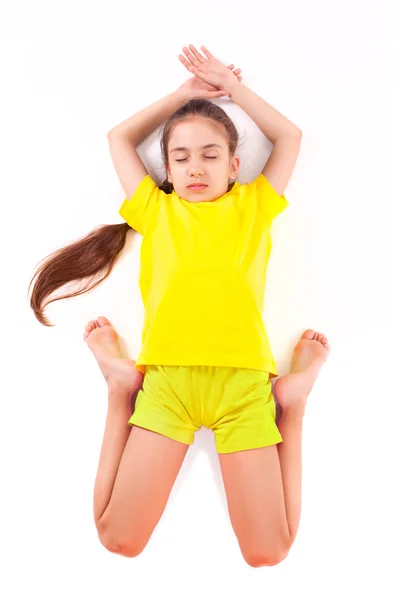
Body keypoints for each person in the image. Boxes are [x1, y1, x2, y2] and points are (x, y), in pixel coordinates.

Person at [28, 44, 330, 567]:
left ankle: (293, 406)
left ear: (234, 165)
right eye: (181, 157)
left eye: (211, 155)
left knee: (269, 553)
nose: (196, 167)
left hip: (243, 386)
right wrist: (180, 95)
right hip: (166, 385)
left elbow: (290, 137)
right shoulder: (154, 210)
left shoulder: (254, 207)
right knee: (117, 540)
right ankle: (119, 388)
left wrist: (232, 88)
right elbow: (118, 137)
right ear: (166, 168)